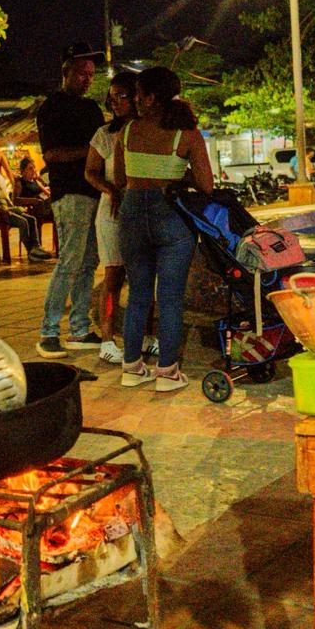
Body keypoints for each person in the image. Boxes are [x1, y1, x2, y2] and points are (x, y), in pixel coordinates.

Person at [113, 66, 213, 392]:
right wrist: (177, 175)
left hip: (130, 216)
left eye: (139, 94)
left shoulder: (127, 133)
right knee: (169, 298)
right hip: (170, 218)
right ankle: (167, 372)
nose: (136, 100)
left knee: (138, 294)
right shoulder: (187, 135)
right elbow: (207, 186)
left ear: (151, 97)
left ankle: (131, 367)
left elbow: (118, 180)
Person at [35, 42, 106, 359]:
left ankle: (79, 328)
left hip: (95, 192)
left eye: (91, 74)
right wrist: (90, 153)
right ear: (66, 72)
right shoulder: (52, 107)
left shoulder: (92, 109)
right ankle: (48, 331)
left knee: (89, 262)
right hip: (71, 194)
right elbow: (52, 154)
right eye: (82, 73)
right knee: (70, 261)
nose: (87, 79)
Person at [85, 71, 136, 364]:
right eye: (112, 96)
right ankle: (107, 339)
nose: (116, 102)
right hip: (112, 211)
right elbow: (90, 172)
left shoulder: (144, 129)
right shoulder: (105, 134)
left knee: (143, 275)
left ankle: (146, 335)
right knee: (113, 275)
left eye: (122, 95)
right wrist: (111, 190)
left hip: (140, 209)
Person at [0, 159, 53, 260]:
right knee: (23, 222)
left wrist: (12, 207)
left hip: (6, 210)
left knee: (32, 219)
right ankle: (30, 251)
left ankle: (36, 247)